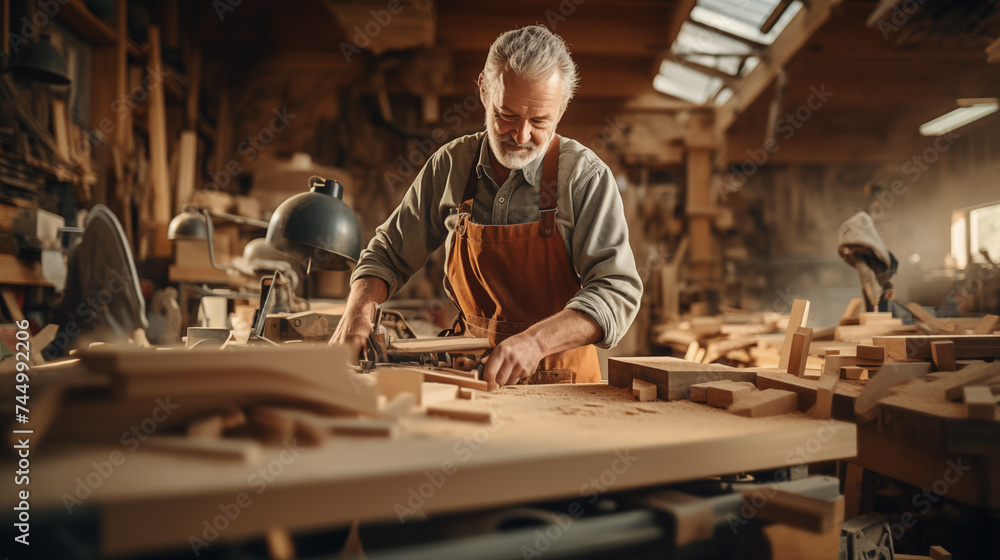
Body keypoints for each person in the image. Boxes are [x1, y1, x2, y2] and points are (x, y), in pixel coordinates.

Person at [331, 25, 642, 389]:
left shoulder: (584, 178)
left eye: (540, 121)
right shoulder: (451, 166)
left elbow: (615, 291)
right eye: (507, 114)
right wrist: (358, 310)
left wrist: (535, 342)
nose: (521, 136)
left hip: (563, 384)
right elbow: (388, 254)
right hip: (468, 374)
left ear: (562, 108)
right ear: (483, 89)